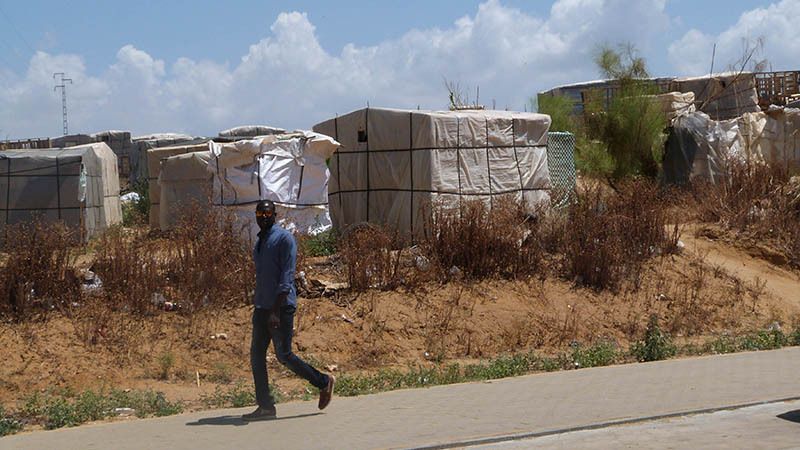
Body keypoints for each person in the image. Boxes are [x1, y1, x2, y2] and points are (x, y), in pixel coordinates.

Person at [243, 200, 335, 421]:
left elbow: (286, 278)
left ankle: (323, 381)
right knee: (256, 355)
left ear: (275, 215)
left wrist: (275, 311)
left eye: (267, 213)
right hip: (262, 306)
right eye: (259, 213)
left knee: (284, 355)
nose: (263, 217)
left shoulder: (284, 239)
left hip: (279, 307)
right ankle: (265, 407)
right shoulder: (261, 240)